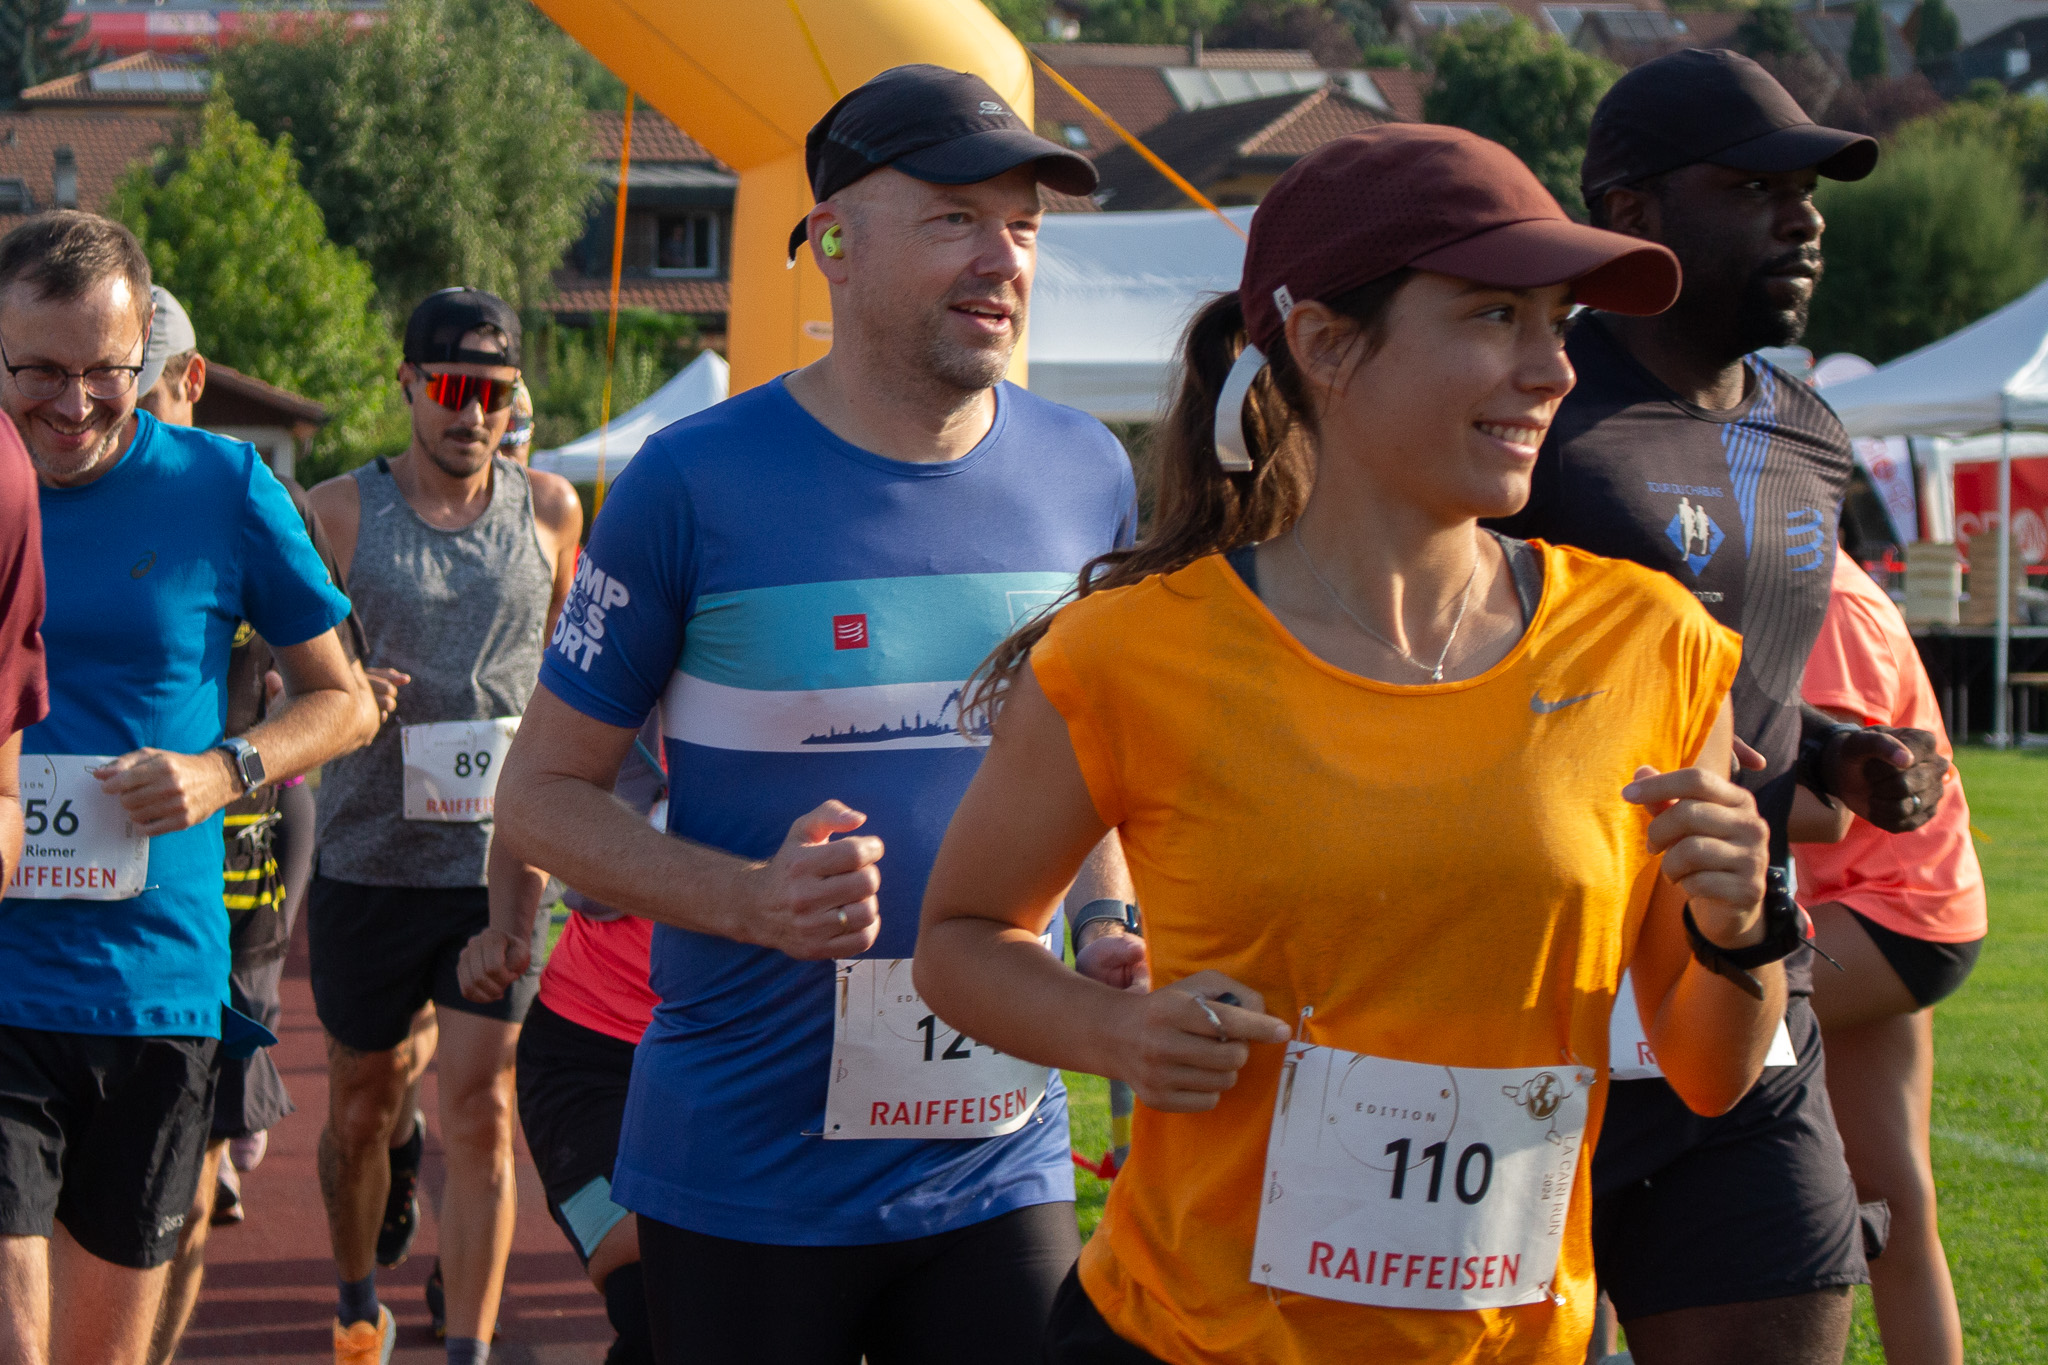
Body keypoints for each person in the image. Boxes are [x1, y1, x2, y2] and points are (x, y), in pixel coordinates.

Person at [910, 123, 1792, 1365]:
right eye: (1494, 315)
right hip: (1190, 1341)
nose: (1551, 369)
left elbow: (1710, 1073)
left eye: (1557, 324)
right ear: (1324, 344)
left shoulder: (1651, 642)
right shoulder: (1127, 654)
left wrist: (1739, 926)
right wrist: (1117, 1035)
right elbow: (958, 943)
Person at [473, 64, 1136, 1365]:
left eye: (1022, 226)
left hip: (995, 1155)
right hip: (743, 1164)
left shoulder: (1088, 469)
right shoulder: (690, 481)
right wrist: (747, 902)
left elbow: (1089, 763)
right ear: (833, 241)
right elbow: (539, 798)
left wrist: (1109, 919)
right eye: (954, 218)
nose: (1002, 257)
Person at [1490, 49, 1953, 1365]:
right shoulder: (1531, 411)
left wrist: (1843, 752)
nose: (1801, 219)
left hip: (1743, 991)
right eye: (1755, 188)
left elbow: (1740, 685)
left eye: (1807, 193)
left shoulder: (1811, 431)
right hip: (1526, 1008)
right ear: (1629, 214)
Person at [0, 210, 363, 1365]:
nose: (73, 405)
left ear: (145, 357)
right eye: (38, 372)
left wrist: (224, 768)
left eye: (105, 373)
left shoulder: (223, 486)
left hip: (152, 987)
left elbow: (345, 700)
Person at [305, 287, 582, 1365]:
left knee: (483, 1110)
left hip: (491, 866)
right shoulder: (338, 512)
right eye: (453, 389)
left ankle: (467, 1347)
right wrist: (345, 685)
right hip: (368, 861)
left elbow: (563, 674)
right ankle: (355, 1301)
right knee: (362, 1109)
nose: (473, 414)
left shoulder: (550, 511)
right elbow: (296, 663)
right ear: (410, 385)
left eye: (495, 393)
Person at [133, 286, 378, 1365]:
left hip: (241, 838)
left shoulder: (241, 495)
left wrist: (247, 750)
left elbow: (342, 684)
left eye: (135, 393)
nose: (104, 420)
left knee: (189, 1148)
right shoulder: (40, 486)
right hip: (80, 868)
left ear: (189, 382)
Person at [1793, 548, 1984, 1365]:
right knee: (1893, 1196)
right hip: (1890, 909)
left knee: (1640, 1077)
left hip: (1887, 911)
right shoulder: (1814, 585)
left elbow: (1831, 806)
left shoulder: (1829, 600)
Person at [461, 718, 665, 1365]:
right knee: (656, 1298)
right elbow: (530, 796)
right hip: (591, 1052)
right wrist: (508, 927)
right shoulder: (627, 674)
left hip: (761, 1053)